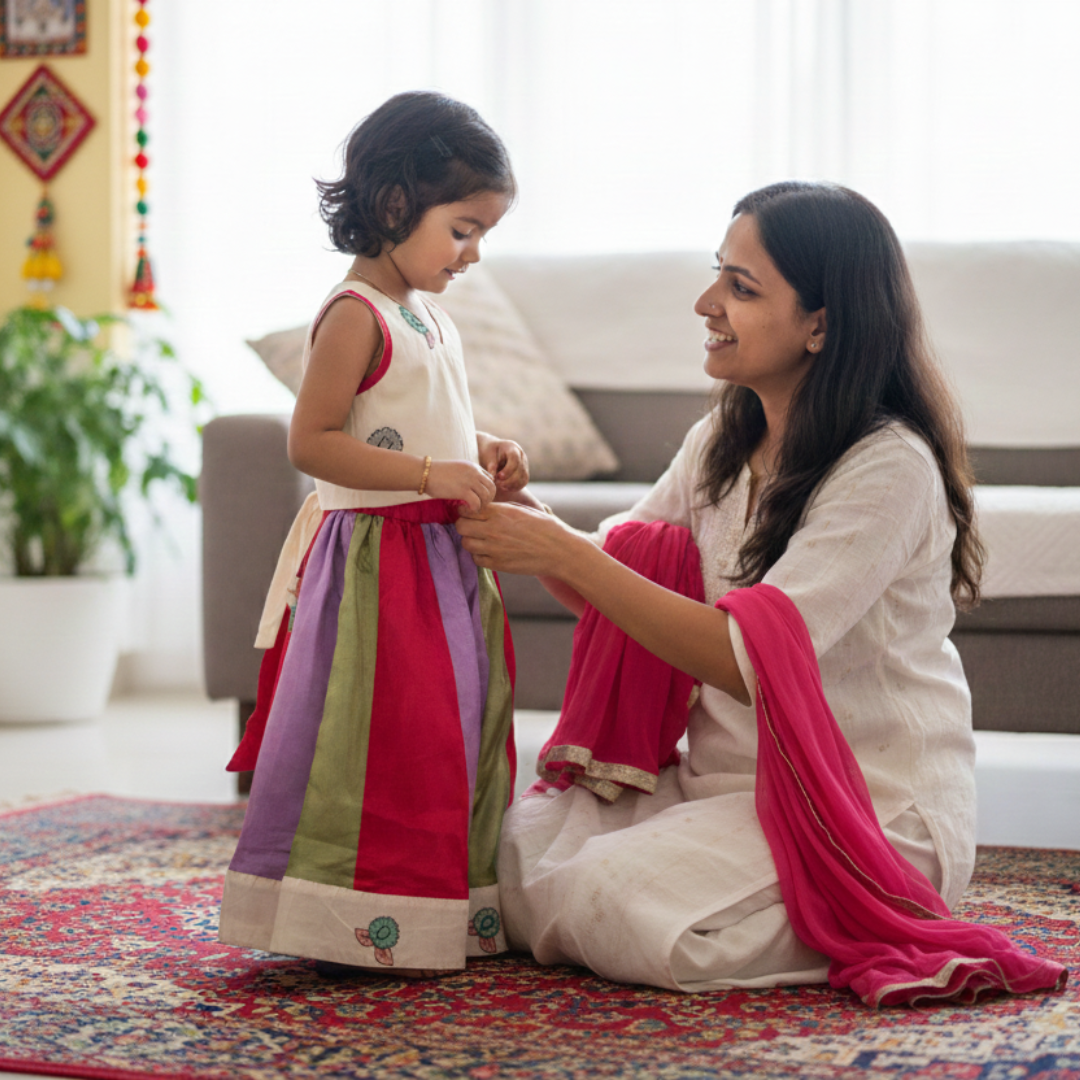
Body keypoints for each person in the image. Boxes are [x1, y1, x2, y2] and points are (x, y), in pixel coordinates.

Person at [455, 181, 988, 993]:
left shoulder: (888, 466)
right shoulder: (721, 440)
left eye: (741, 287)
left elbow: (747, 660)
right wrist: (513, 505)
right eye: (718, 275)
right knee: (509, 849)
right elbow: (615, 584)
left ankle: (868, 903)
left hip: (866, 803)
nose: (707, 303)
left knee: (605, 893)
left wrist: (564, 551)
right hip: (716, 786)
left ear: (821, 324)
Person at [218, 91, 527, 978]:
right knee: (378, 738)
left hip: (441, 560)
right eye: (463, 230)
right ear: (395, 204)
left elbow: (414, 416)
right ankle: (353, 916)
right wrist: (430, 474)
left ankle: (438, 908)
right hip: (379, 567)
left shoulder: (427, 313)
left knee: (453, 731)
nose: (474, 253)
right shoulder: (355, 312)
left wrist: (479, 448)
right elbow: (313, 441)